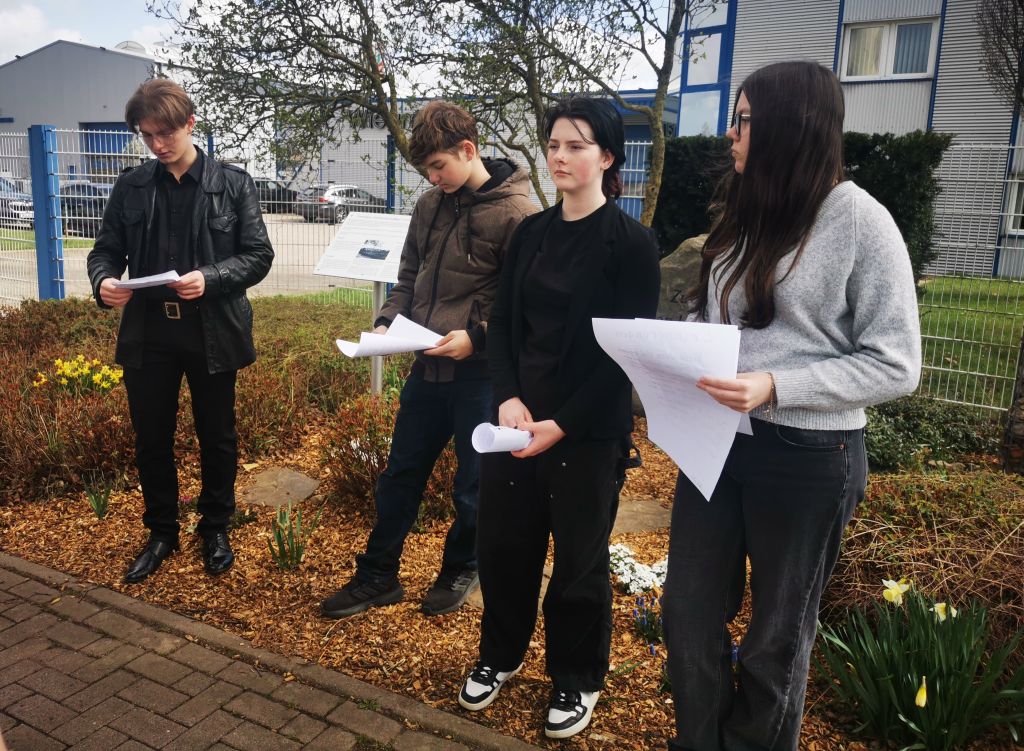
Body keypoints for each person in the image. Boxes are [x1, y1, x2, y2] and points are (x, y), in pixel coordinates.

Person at [662, 61, 922, 751]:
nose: (730, 134)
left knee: (775, 638)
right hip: (717, 440)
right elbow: (722, 320)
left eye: (743, 120)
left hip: (808, 455)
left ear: (788, 126)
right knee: (686, 614)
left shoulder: (861, 221)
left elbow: (897, 362)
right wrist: (677, 345)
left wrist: (778, 384)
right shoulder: (748, 213)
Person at [457, 97, 660, 739]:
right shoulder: (532, 233)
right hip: (516, 424)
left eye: (576, 145)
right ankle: (501, 654)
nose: (560, 156)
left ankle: (576, 676)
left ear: (607, 157)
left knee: (578, 562)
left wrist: (563, 423)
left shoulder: (632, 246)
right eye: (553, 145)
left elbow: (626, 357)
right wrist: (508, 395)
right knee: (504, 548)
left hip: (587, 434)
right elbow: (505, 324)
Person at [320, 101, 536, 619]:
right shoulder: (428, 206)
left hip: (481, 378)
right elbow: (408, 280)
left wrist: (475, 340)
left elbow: (523, 308)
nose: (434, 178)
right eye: (427, 171)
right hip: (427, 369)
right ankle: (377, 575)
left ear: (468, 149)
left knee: (473, 486)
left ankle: (461, 566)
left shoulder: (519, 216)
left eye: (439, 166)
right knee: (400, 475)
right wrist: (385, 323)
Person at [87, 79, 274, 584]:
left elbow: (259, 256)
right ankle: (161, 532)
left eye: (165, 133)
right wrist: (103, 281)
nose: (157, 144)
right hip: (148, 333)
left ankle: (215, 528)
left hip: (212, 331)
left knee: (217, 437)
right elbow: (105, 251)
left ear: (190, 123)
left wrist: (211, 278)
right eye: (147, 135)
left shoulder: (231, 184)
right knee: (152, 438)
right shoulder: (132, 186)